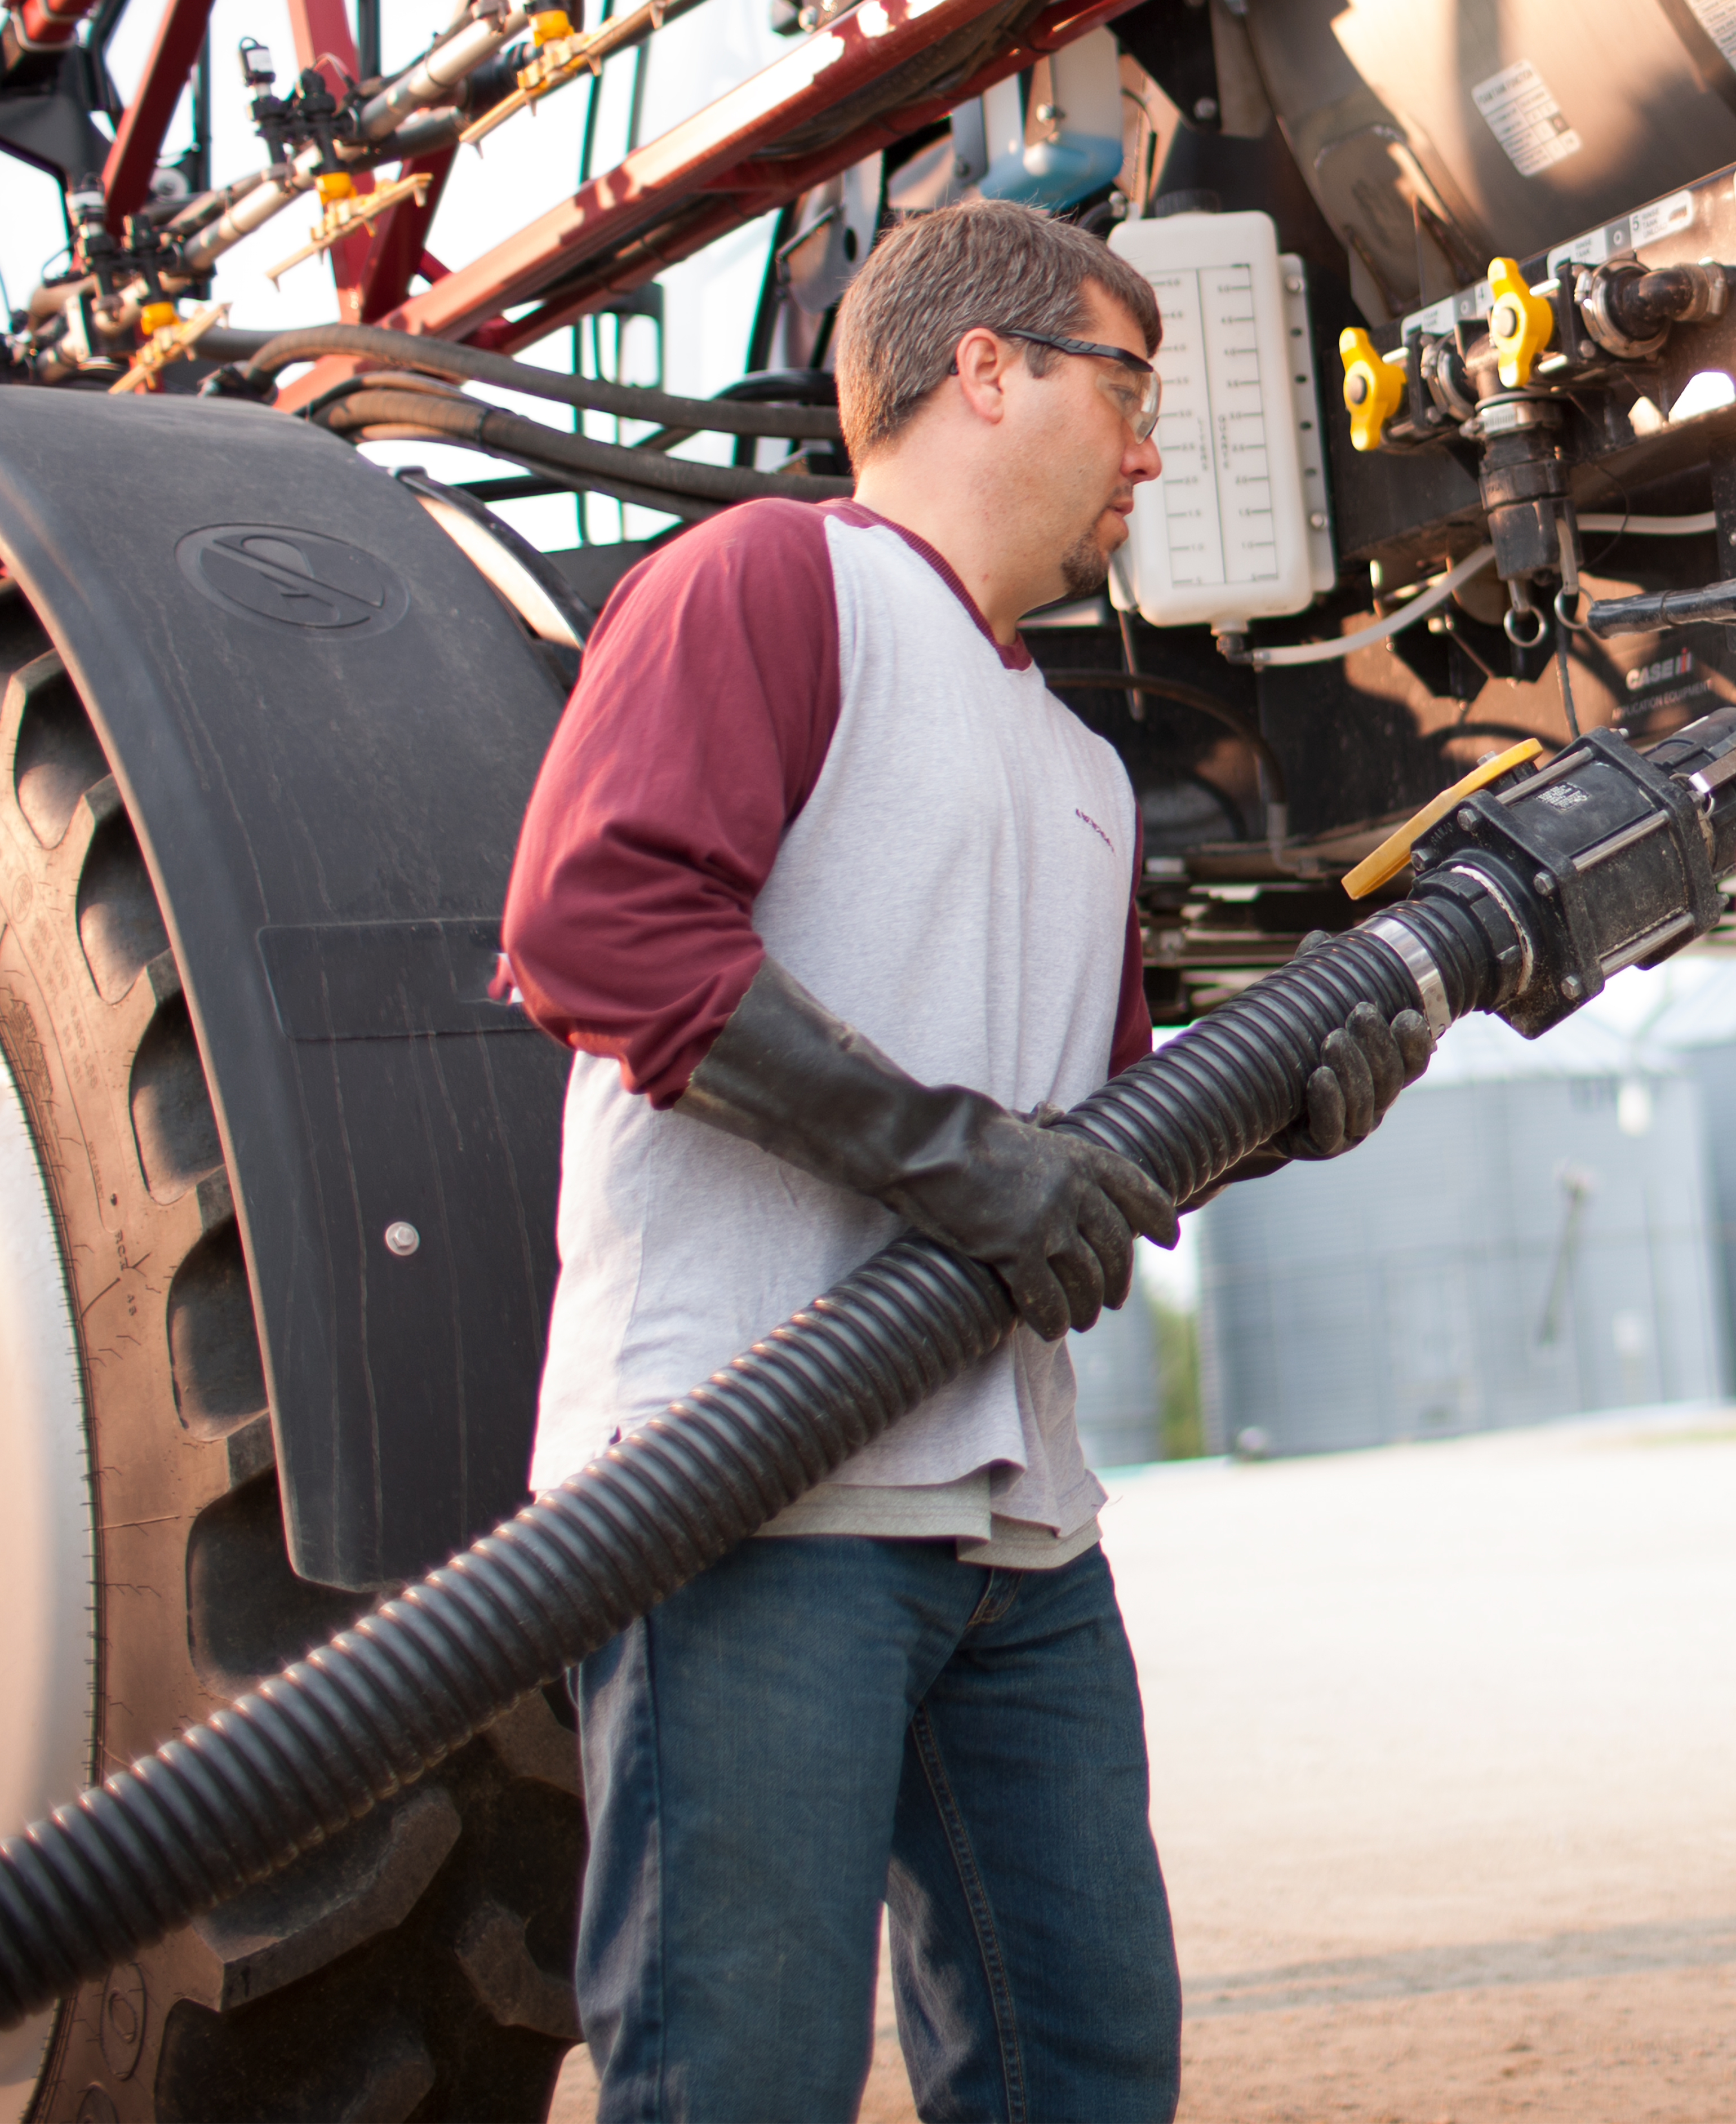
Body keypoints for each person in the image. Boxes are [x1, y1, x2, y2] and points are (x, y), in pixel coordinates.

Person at [500, 194, 1428, 2123]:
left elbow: (1086, 1156)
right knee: (734, 2079)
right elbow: (600, 926)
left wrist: (1296, 1100)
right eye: (1129, 385)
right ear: (983, 368)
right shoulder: (767, 582)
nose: (1155, 453)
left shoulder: (1080, 770)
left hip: (1017, 1530)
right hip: (749, 1494)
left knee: (1088, 2071)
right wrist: (955, 1169)